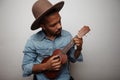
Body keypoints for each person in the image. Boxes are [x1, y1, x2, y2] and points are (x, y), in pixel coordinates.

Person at [22, 0, 84, 80]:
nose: (59, 26)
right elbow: (26, 67)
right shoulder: (33, 41)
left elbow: (73, 59)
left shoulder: (67, 36)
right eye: (53, 25)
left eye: (59, 21)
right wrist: (46, 66)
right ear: (43, 26)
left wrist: (79, 48)